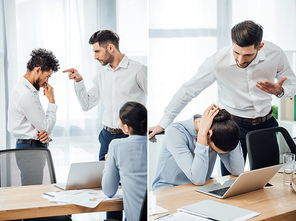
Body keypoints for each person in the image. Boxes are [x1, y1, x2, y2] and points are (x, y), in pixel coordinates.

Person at [149, 20, 296, 176]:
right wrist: (163, 123)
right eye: (236, 53)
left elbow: (292, 86)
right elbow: (187, 91)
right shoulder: (216, 62)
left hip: (265, 124)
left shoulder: (275, 54)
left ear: (260, 47)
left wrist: (280, 91)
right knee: (230, 181)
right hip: (233, 127)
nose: (240, 60)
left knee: (268, 179)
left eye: (247, 55)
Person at [63, 30, 147, 161]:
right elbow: (87, 104)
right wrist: (79, 81)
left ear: (110, 48)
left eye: (97, 51)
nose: (95, 57)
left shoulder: (138, 70)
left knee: (129, 178)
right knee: (104, 179)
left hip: (131, 136)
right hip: (107, 137)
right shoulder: (102, 75)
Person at [152, 104, 244, 191]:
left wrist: (231, 129)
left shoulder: (217, 131)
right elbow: (197, 179)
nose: (211, 151)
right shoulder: (174, 132)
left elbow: (237, 171)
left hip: (198, 189)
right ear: (209, 134)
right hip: (169, 190)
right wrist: (202, 136)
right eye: (212, 149)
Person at [7, 48, 60, 185]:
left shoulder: (26, 90)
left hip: (30, 148)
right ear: (38, 70)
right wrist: (52, 101)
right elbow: (46, 127)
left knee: (33, 191)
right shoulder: (26, 95)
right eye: (47, 76)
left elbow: (42, 128)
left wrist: (45, 134)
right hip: (31, 151)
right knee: (33, 195)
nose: (47, 81)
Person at [102, 101, 147, 221]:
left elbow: (109, 191)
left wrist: (108, 163)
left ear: (126, 127)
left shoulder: (117, 146)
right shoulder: (153, 144)